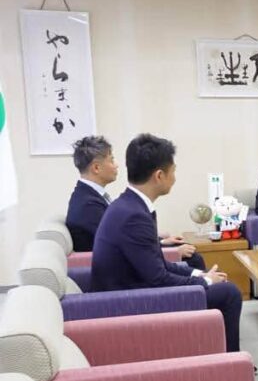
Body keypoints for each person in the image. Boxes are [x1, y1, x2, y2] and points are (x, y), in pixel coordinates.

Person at [91, 134, 242, 352]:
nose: (175, 177)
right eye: (174, 171)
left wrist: (199, 275)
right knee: (229, 293)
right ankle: (230, 365)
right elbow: (158, 278)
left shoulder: (130, 205)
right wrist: (206, 282)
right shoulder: (134, 215)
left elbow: (157, 263)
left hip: (134, 289)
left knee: (204, 272)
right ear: (159, 176)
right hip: (128, 302)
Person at [66, 135, 205, 270]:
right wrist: (172, 252)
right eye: (111, 160)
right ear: (96, 168)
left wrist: (161, 241)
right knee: (193, 258)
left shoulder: (88, 196)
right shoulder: (88, 206)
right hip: (120, 268)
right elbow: (120, 246)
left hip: (127, 258)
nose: (116, 165)